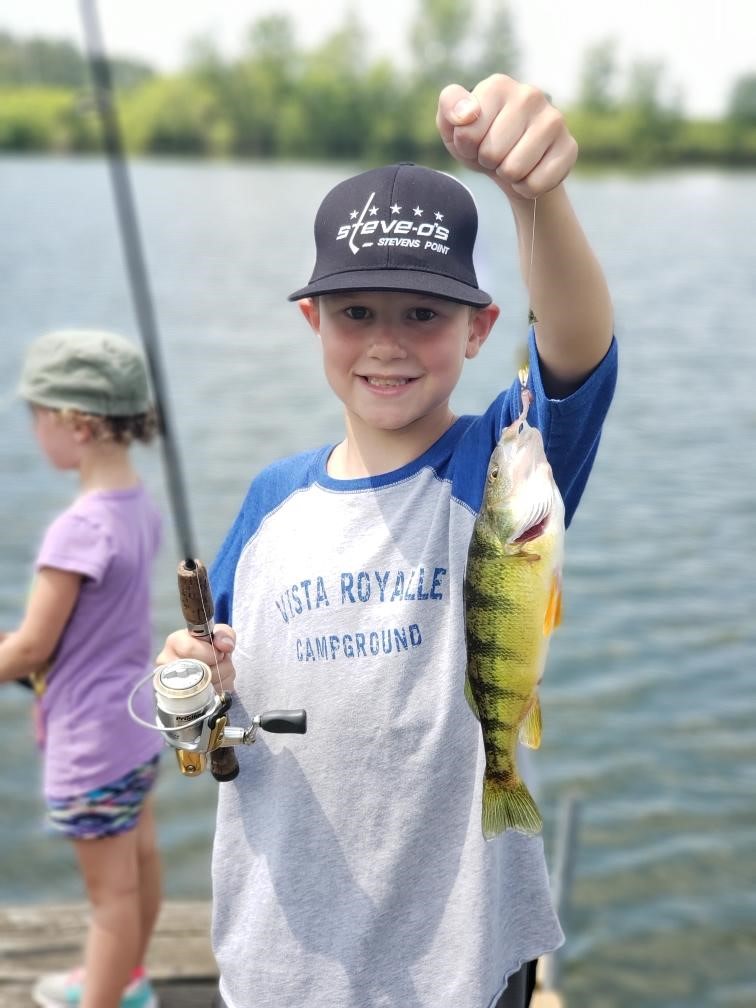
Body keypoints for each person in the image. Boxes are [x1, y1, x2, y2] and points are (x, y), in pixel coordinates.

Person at [157, 73, 617, 1008]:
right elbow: (222, 683)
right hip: (284, 954)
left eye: (424, 313)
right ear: (311, 320)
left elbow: (576, 343)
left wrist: (538, 197)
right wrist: (192, 680)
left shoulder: (499, 465)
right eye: (356, 312)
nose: (388, 343)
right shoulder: (272, 498)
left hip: (457, 958)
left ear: (482, 327)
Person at [0, 329, 165, 1008]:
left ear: (75, 422)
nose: (36, 432)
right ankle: (127, 980)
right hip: (135, 727)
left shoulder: (78, 529)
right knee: (141, 864)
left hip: (89, 742)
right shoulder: (138, 507)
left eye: (37, 416)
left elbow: (33, 648)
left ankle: (103, 994)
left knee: (108, 899)